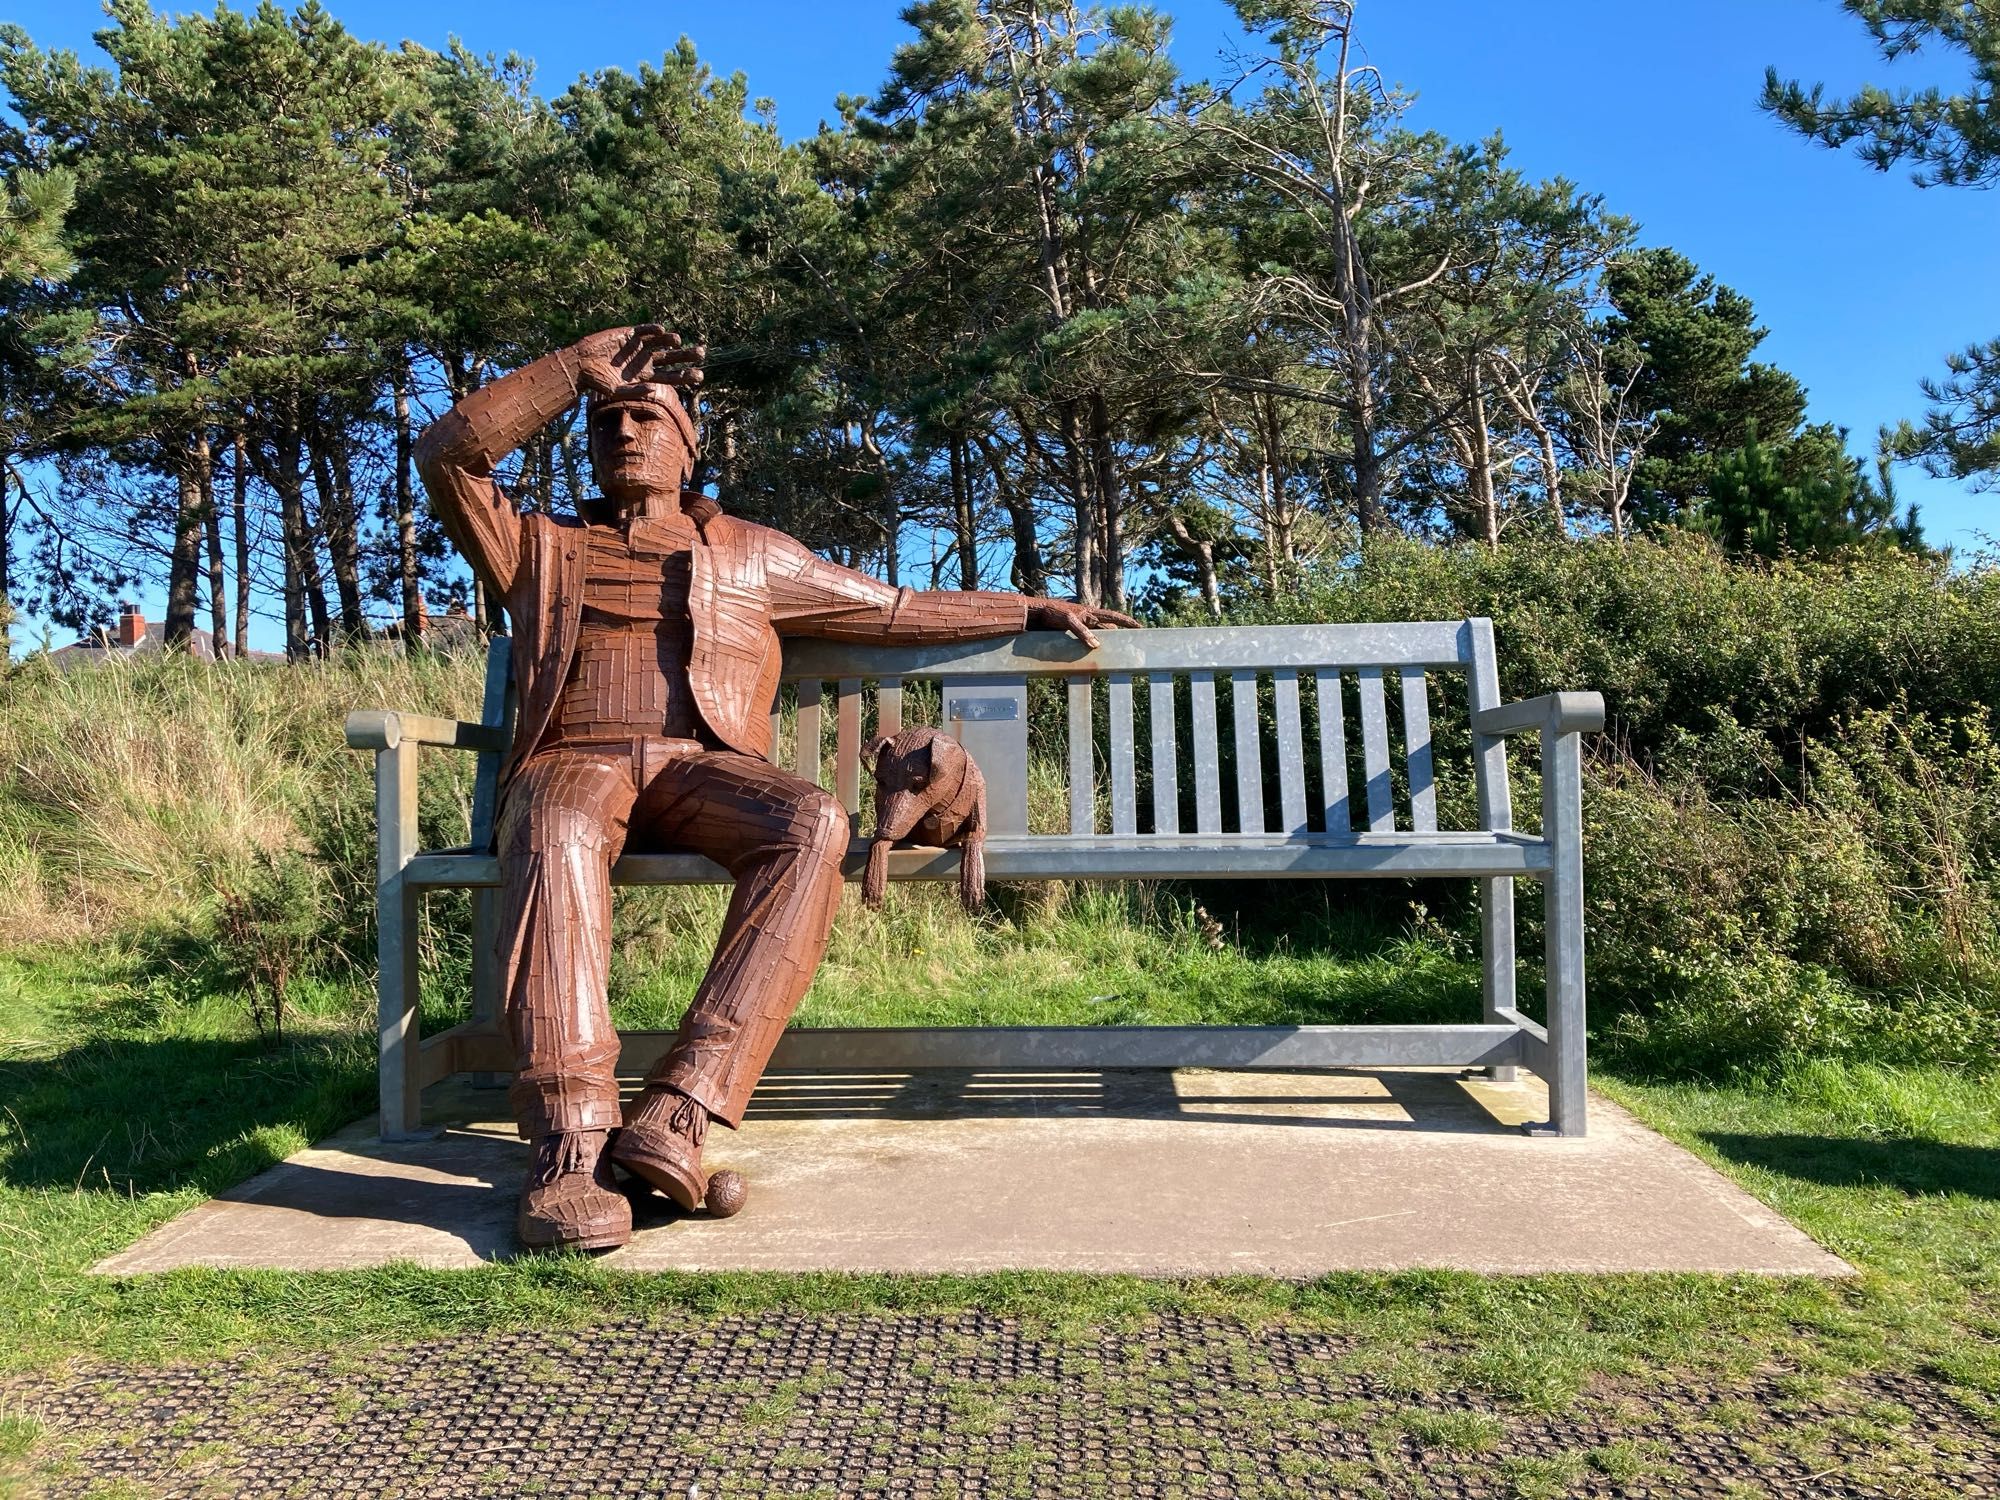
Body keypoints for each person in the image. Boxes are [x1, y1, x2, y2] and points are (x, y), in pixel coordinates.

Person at [415, 325, 1134, 1251]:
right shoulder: (534, 545)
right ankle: (568, 1142)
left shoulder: (754, 554)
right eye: (608, 420)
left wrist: (1028, 607)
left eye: (649, 417)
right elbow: (446, 453)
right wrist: (571, 371)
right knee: (555, 822)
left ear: (690, 443)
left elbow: (894, 610)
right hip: (573, 761)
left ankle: (680, 1110)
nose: (626, 432)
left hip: (700, 768)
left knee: (811, 821)